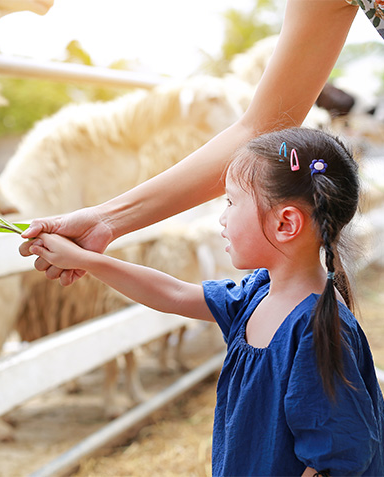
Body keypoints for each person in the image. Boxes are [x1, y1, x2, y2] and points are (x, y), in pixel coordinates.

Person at [28, 127, 384, 476]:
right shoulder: (259, 292)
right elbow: (174, 294)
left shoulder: (317, 330)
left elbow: (335, 460)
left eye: (231, 202)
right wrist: (86, 260)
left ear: (285, 223)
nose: (222, 217)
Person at [19, 0, 382, 286]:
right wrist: (107, 221)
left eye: (231, 203)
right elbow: (260, 131)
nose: (223, 216)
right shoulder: (255, 299)